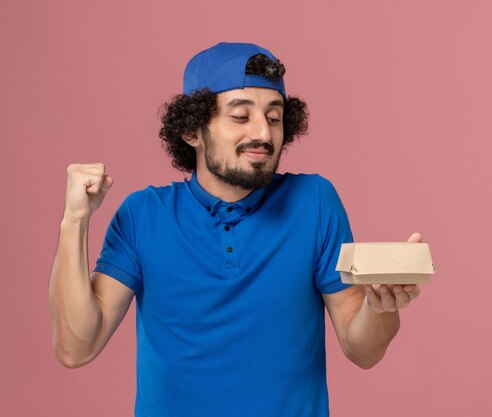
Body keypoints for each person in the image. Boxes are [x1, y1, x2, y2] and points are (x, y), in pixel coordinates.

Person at [49, 42, 423, 417]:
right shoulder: (142, 215)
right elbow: (76, 348)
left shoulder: (315, 202)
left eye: (274, 118)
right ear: (193, 130)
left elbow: (363, 351)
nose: (263, 132)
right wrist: (74, 221)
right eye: (241, 117)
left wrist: (379, 307)